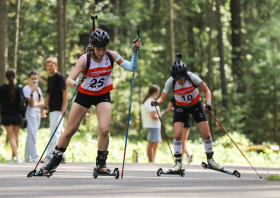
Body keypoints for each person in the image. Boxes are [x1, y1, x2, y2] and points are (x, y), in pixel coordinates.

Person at [38, 28, 141, 175]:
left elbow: (133, 68)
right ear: (92, 47)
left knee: (105, 130)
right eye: (98, 49)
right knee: (69, 131)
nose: (101, 52)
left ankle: (101, 164)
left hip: (102, 95)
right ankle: (53, 162)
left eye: (104, 49)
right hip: (84, 96)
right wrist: (76, 83)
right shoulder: (84, 59)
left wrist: (134, 51)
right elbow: (69, 80)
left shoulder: (111, 55)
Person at [151, 55, 224, 172]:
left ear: (185, 74)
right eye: (177, 78)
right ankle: (178, 163)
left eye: (181, 78)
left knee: (207, 134)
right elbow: (162, 99)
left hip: (196, 106)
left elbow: (207, 90)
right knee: (178, 135)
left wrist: (209, 104)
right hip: (180, 108)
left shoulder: (192, 77)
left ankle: (211, 160)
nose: (180, 80)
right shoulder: (171, 81)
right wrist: (156, 102)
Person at [40, 57, 68, 163]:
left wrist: (64, 108)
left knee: (54, 132)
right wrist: (44, 107)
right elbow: (49, 94)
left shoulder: (59, 77)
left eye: (51, 65)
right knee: (60, 132)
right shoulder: (50, 78)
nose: (49, 67)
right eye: (47, 65)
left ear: (55, 66)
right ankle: (62, 155)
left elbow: (65, 92)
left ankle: (50, 155)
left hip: (58, 109)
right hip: (52, 108)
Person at [0, 69, 23, 163]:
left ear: (6, 77)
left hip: (6, 115)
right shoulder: (19, 88)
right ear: (15, 77)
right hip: (17, 115)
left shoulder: (1, 88)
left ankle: (17, 156)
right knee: (15, 137)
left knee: (11, 137)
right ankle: (12, 158)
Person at [23, 70, 44, 162]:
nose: (34, 81)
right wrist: (32, 92)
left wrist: (35, 104)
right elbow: (30, 104)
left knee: (31, 135)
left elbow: (42, 102)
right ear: (29, 79)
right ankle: (35, 157)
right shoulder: (26, 89)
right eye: (32, 79)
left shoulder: (38, 89)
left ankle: (27, 157)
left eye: (36, 79)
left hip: (37, 113)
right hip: (30, 113)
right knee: (32, 135)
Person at [141, 85, 165, 163]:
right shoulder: (150, 101)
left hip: (150, 125)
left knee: (154, 144)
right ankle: (151, 162)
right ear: (155, 92)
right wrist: (161, 114)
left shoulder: (146, 100)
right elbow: (153, 116)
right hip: (152, 126)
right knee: (151, 144)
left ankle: (152, 161)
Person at [167, 96, 193, 164]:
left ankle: (182, 158)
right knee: (183, 140)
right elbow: (191, 112)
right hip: (186, 120)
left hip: (177, 120)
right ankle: (187, 155)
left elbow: (169, 109)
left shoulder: (173, 98)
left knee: (180, 140)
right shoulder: (187, 98)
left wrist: (175, 109)